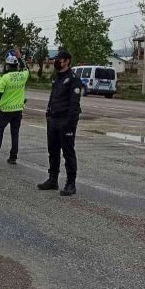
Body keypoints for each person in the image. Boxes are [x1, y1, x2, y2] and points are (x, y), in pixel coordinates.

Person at [37, 49, 82, 196]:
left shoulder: (73, 78)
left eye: (60, 59)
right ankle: (53, 179)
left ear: (67, 61)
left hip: (66, 120)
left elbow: (74, 104)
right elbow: (53, 96)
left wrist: (70, 122)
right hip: (54, 119)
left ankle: (70, 183)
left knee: (68, 152)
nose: (57, 61)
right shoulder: (57, 77)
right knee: (53, 151)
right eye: (56, 59)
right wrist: (48, 112)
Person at [0, 47, 29, 165]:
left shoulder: (4, 78)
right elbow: (26, 68)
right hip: (18, 110)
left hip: (5, 110)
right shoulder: (23, 75)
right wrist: (20, 58)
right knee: (15, 134)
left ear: (7, 65)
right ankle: (13, 157)